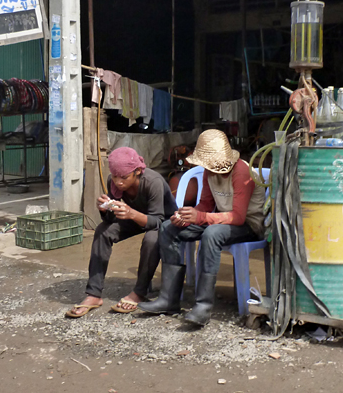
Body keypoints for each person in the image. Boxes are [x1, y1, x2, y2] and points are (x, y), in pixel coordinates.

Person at [138, 129, 265, 327]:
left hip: (248, 225)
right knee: (168, 228)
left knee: (211, 234)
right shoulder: (208, 171)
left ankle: (203, 305)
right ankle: (169, 299)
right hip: (220, 219)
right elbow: (205, 204)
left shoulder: (242, 172)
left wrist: (201, 217)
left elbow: (238, 217)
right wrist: (187, 217)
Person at [65, 147, 176, 318]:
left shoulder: (153, 182)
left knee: (152, 238)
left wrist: (132, 213)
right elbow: (109, 220)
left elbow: (157, 222)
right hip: (135, 217)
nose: (118, 182)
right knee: (103, 231)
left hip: (165, 223)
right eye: (115, 177)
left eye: (124, 177)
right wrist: (104, 208)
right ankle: (94, 294)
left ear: (137, 171)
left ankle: (139, 292)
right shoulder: (114, 181)